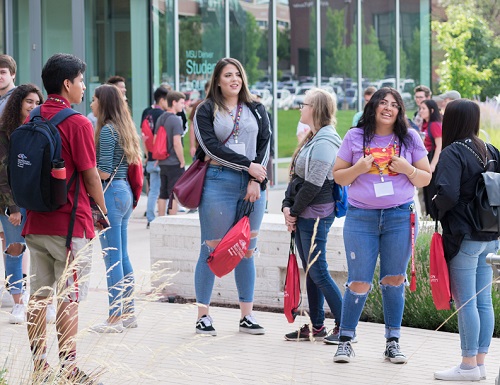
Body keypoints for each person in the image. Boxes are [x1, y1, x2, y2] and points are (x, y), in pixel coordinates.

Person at [22, 53, 106, 383]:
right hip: (69, 225)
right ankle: (70, 368)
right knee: (68, 298)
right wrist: (102, 209)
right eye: (82, 81)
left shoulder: (32, 118)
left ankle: (40, 366)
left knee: (38, 297)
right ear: (67, 84)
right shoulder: (78, 122)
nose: (85, 87)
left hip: (35, 223)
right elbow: (89, 175)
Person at [331, 87, 431, 364]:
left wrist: (407, 169)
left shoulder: (409, 137)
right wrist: (358, 169)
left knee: (394, 280)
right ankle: (345, 340)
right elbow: (338, 177)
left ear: (400, 110)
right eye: (383, 103)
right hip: (361, 218)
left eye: (395, 104)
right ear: (373, 106)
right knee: (359, 280)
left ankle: (393, 342)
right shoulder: (354, 136)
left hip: (399, 217)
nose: (388, 108)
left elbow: (425, 178)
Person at [193, 57, 270, 336]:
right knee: (212, 249)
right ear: (217, 80)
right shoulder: (205, 110)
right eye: (227, 75)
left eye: (238, 74)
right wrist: (247, 166)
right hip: (218, 182)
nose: (234, 79)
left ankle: (246, 317)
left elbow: (265, 145)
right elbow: (210, 148)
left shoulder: (257, 108)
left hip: (253, 185)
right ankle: (203, 316)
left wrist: (254, 178)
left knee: (247, 250)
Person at [433, 99, 499, 382]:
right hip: (491, 237)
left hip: (464, 236)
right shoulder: (492, 150)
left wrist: (436, 205)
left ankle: (468, 365)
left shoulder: (453, 152)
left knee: (466, 302)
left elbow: (447, 194)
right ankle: (480, 363)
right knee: (483, 301)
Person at [282, 89, 344, 343]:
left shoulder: (326, 140)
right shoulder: (313, 137)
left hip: (316, 213)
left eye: (304, 104)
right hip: (304, 212)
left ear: (316, 109)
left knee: (318, 271)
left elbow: (314, 183)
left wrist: (293, 211)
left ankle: (346, 326)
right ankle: (317, 326)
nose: (300, 108)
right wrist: (287, 206)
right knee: (311, 269)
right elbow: (297, 178)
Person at [90, 83, 142, 333]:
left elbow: (104, 171)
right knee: (122, 256)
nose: (91, 104)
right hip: (124, 192)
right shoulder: (125, 127)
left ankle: (114, 318)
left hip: (110, 193)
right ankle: (129, 313)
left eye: (94, 99)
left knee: (112, 259)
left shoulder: (108, 131)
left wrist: (84, 171)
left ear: (104, 103)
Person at [0, 84, 42, 324]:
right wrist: (13, 207)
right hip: (13, 203)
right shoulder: (5, 131)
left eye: (37, 103)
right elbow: (2, 173)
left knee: (42, 250)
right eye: (29, 102)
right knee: (15, 249)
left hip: (37, 202)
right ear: (18, 103)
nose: (33, 107)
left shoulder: (41, 128)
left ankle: (43, 301)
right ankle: (18, 302)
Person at [0, 54, 18, 284]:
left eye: (3, 72)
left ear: (13, 74)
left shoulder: (18, 100)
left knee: (16, 242)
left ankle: (18, 291)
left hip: (11, 182)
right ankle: (12, 286)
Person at [155, 91, 186, 216]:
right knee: (173, 193)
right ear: (174, 102)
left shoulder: (161, 118)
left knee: (163, 192)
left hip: (163, 161)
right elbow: (177, 143)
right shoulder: (175, 120)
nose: (183, 106)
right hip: (174, 162)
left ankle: (161, 219)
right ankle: (172, 219)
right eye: (182, 103)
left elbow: (155, 140)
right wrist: (182, 161)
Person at [142, 86, 169, 228]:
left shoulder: (147, 113)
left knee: (153, 190)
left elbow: (144, 136)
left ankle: (150, 218)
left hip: (151, 157)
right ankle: (162, 218)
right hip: (161, 158)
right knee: (164, 190)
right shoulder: (163, 115)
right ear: (162, 100)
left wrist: (147, 155)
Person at [419, 99, 442, 219]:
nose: (421, 111)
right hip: (426, 157)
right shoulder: (424, 124)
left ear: (431, 110)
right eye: (420, 108)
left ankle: (434, 218)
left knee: (432, 190)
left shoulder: (435, 125)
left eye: (423, 108)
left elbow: (440, 145)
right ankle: (429, 217)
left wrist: (433, 164)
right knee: (426, 191)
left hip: (433, 158)